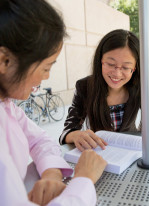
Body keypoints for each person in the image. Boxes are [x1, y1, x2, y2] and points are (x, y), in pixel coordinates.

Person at [0, 0, 107, 205]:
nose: (46, 77)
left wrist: (51, 173)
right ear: (5, 60)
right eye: (46, 67)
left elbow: (39, 139)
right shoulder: (84, 86)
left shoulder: (8, 107)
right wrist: (83, 179)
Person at [59, 30, 149, 150]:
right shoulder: (85, 87)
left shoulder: (140, 88)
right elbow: (67, 132)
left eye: (125, 67)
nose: (117, 73)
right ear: (100, 61)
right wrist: (75, 135)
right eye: (110, 64)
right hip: (98, 154)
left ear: (134, 68)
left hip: (131, 152)